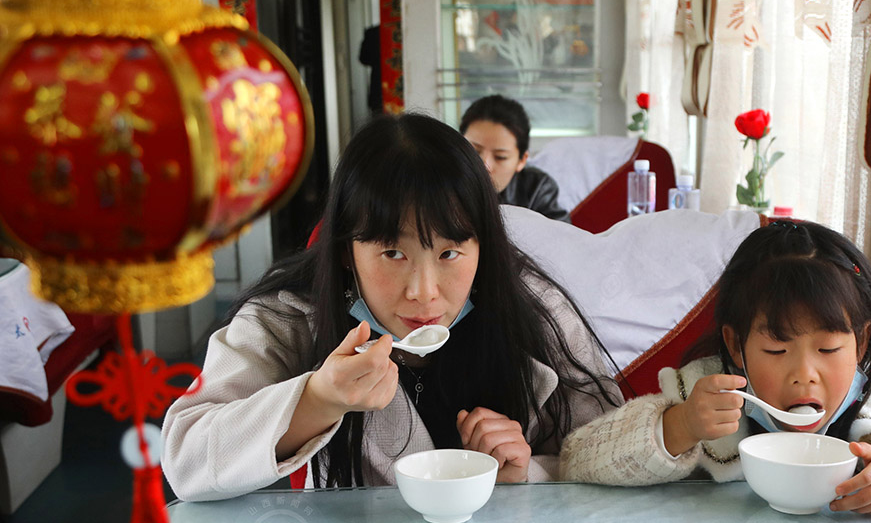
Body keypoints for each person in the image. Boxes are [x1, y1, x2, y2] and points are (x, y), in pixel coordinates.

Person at [162, 113, 620, 501]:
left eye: (449, 254)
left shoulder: (534, 310)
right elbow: (187, 463)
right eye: (393, 254)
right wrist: (316, 401)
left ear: (484, 247)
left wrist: (525, 475)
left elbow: (610, 450)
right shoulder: (286, 320)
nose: (424, 293)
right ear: (346, 250)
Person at [559, 219, 871, 513]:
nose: (804, 373)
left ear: (863, 343)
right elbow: (577, 459)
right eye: (776, 351)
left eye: (829, 349)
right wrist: (678, 426)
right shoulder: (703, 399)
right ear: (735, 345)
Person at [459, 94, 568, 222]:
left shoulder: (537, 189)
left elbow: (565, 239)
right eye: (474, 151)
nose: (484, 165)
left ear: (522, 160)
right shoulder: (440, 182)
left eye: (500, 157)